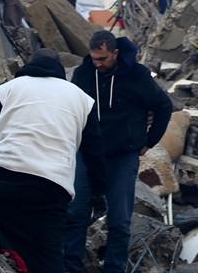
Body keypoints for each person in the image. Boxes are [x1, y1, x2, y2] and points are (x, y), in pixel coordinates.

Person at [0, 49, 105, 273]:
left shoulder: (10, 88)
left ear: (29, 65)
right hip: (51, 190)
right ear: (60, 71)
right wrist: (99, 192)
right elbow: (95, 153)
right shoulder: (82, 99)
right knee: (47, 260)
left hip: (0, 173)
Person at [63, 31, 173, 273]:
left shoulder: (137, 76)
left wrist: (148, 141)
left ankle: (114, 268)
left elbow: (164, 106)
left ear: (115, 53)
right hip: (87, 153)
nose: (97, 63)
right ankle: (71, 267)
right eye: (94, 58)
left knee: (120, 220)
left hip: (122, 156)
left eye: (102, 58)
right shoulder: (83, 74)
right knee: (76, 212)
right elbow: (70, 108)